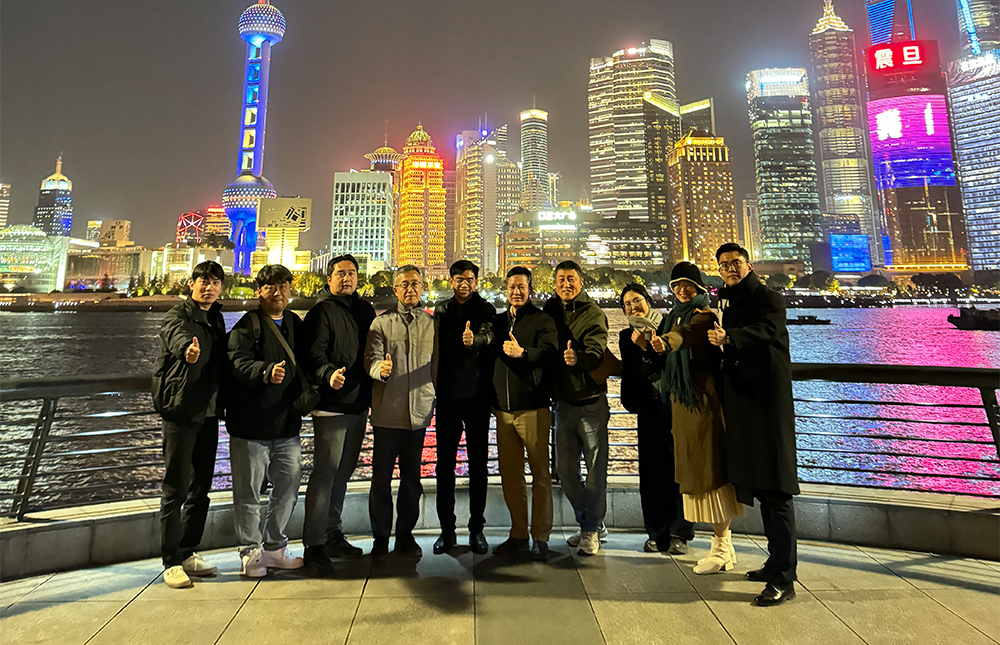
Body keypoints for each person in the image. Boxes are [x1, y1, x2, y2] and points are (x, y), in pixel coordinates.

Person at [709, 243, 799, 607]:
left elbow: (767, 329)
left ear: (749, 265)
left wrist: (730, 337)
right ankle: (775, 563)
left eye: (736, 262)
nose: (730, 268)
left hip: (767, 405)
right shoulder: (727, 303)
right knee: (762, 488)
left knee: (776, 491)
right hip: (744, 404)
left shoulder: (768, 298)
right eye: (724, 265)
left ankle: (784, 578)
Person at [650, 263, 743, 575]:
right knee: (695, 474)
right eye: (676, 285)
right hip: (684, 405)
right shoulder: (674, 316)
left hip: (703, 404)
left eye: (687, 284)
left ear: (700, 287)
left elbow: (685, 336)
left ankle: (722, 546)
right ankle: (721, 546)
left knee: (712, 473)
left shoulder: (704, 316)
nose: (681, 290)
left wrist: (667, 342)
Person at [226, 264, 306, 577]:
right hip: (250, 426)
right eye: (270, 286)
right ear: (259, 291)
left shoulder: (295, 323)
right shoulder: (248, 325)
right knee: (248, 493)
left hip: (287, 424)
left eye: (283, 286)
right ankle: (250, 552)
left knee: (287, 488)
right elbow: (237, 361)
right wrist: (265, 371)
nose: (278, 292)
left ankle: (275, 548)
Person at [152, 261, 228, 588]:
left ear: (221, 287)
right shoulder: (177, 316)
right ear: (191, 284)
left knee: (201, 488)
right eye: (203, 281)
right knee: (176, 487)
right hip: (181, 412)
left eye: (214, 282)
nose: (208, 287)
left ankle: (187, 552)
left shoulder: (216, 318)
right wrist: (188, 351)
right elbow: (177, 338)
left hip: (208, 414)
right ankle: (170, 561)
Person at [299, 254, 376, 572]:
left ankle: (333, 534)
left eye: (352, 273)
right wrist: (328, 373)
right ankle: (314, 544)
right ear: (328, 279)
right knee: (325, 474)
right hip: (330, 405)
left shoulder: (365, 310)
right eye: (340, 273)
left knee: (343, 474)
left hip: (358, 404)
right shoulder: (321, 311)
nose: (347, 278)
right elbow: (312, 353)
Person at [365, 265, 437, 557]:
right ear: (395, 289)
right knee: (380, 479)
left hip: (419, 414)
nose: (410, 289)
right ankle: (380, 538)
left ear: (422, 288)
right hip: (387, 412)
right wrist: (379, 370)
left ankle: (405, 535)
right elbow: (371, 358)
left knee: (412, 479)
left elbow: (438, 366)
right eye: (404, 284)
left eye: (415, 284)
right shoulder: (381, 323)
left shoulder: (431, 324)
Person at [618, 283, 695, 556]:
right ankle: (655, 532)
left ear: (648, 301)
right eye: (627, 304)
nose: (633, 307)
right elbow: (633, 372)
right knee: (652, 474)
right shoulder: (625, 336)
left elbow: (672, 363)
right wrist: (641, 350)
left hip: (675, 407)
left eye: (637, 300)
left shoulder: (668, 326)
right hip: (648, 409)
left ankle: (679, 532)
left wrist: (646, 349)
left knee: (678, 469)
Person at [543, 260, 611, 556]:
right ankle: (591, 522)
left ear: (581, 282)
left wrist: (578, 359)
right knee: (565, 470)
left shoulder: (592, 312)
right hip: (562, 403)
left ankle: (589, 529)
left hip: (590, 403)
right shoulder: (550, 311)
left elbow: (597, 350)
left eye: (571, 279)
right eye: (561, 279)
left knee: (595, 471)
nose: (566, 284)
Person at [490, 267, 558, 561]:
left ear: (530, 289)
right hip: (503, 410)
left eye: (521, 286)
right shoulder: (497, 322)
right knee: (510, 475)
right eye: (512, 287)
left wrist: (524, 353)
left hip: (534, 406)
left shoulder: (542, 320)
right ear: (505, 289)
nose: (516, 291)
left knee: (540, 474)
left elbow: (551, 351)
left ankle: (540, 537)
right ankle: (518, 534)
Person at [431, 260, 496, 555]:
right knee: (444, 465)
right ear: (451, 281)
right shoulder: (441, 310)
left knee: (478, 465)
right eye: (459, 279)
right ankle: (447, 531)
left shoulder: (485, 309)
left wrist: (475, 340)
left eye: (470, 279)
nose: (464, 284)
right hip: (446, 397)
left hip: (477, 397)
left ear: (476, 282)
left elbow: (489, 334)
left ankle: (476, 529)